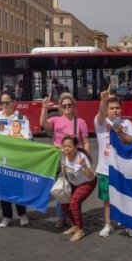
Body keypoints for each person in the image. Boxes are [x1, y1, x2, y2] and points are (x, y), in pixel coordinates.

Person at [40, 92, 91, 228]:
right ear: (60, 108)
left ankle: (73, 217)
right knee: (61, 187)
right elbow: (43, 124)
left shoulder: (80, 122)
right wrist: (44, 108)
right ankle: (60, 216)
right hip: (60, 159)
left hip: (76, 160)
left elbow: (85, 142)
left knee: (75, 189)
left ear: (74, 106)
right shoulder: (56, 120)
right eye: (64, 106)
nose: (67, 107)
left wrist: (88, 159)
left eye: (70, 105)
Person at [93, 88, 132, 237]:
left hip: (123, 169)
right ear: (107, 110)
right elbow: (100, 113)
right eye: (111, 108)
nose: (115, 111)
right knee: (107, 200)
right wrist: (103, 100)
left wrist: (121, 133)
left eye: (117, 108)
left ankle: (128, 224)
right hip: (105, 169)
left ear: (121, 109)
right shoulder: (101, 123)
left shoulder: (127, 123)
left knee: (125, 197)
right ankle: (108, 225)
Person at [0, 91, 32, 227]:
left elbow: (29, 138)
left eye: (7, 102)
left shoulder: (22, 117)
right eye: (2, 103)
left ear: (14, 103)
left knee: (18, 188)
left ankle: (22, 215)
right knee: (4, 189)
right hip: (1, 159)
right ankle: (6, 216)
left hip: (17, 159)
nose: (4, 105)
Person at [59, 135, 96, 242]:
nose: (66, 148)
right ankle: (74, 225)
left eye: (69, 146)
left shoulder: (81, 157)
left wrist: (84, 165)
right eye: (65, 146)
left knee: (74, 202)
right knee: (63, 200)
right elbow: (65, 172)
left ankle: (80, 230)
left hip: (87, 183)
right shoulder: (63, 156)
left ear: (75, 147)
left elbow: (91, 176)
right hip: (73, 182)